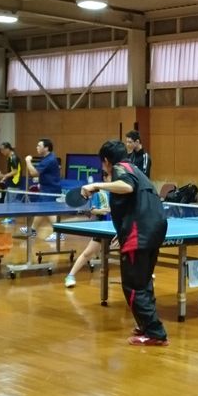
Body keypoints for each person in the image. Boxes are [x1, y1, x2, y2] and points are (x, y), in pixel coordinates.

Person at [78, 140, 169, 346]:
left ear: (106, 161)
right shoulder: (134, 168)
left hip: (140, 232)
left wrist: (96, 185)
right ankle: (147, 325)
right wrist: (123, 231)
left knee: (133, 285)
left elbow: (127, 187)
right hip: (154, 229)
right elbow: (134, 202)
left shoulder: (120, 169)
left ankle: (155, 333)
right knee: (143, 281)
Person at [64, 188, 109, 288]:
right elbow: (93, 211)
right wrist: (103, 211)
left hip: (119, 227)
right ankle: (70, 276)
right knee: (88, 253)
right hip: (103, 228)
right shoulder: (99, 193)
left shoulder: (119, 190)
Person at [22, 138, 61, 241]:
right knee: (41, 209)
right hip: (46, 188)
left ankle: (59, 233)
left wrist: (28, 161)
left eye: (39, 146)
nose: (37, 147)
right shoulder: (47, 158)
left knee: (49, 211)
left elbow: (34, 173)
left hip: (50, 190)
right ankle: (32, 230)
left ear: (46, 148)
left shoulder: (49, 160)